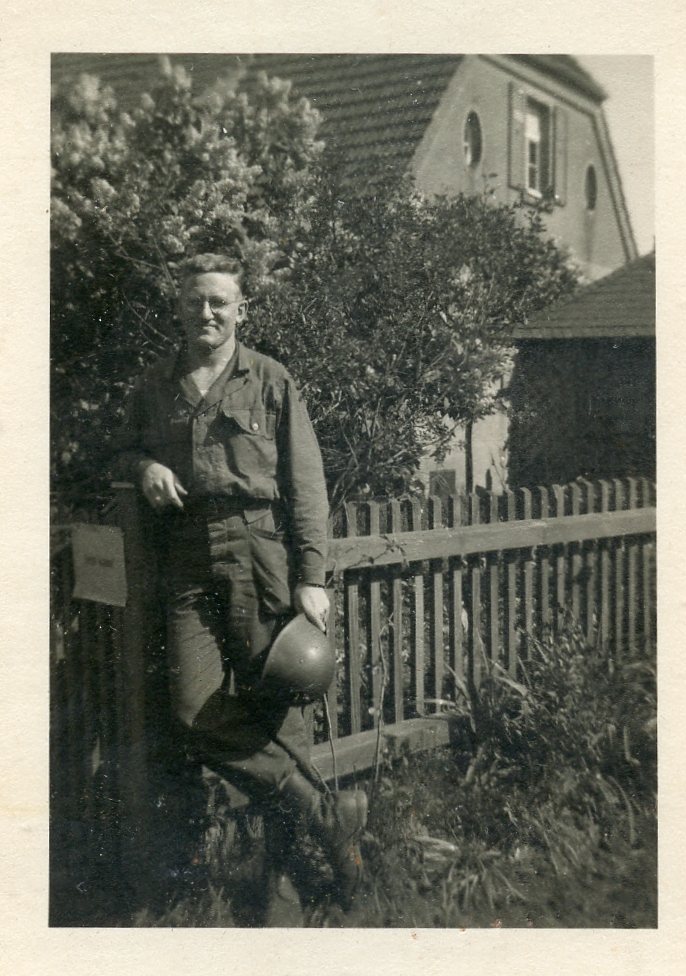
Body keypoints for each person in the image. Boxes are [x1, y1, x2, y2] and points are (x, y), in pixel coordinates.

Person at [113, 253, 365, 923]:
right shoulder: (154, 386)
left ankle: (283, 883)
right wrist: (143, 467)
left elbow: (306, 484)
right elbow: (119, 450)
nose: (206, 312)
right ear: (178, 307)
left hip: (260, 554)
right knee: (193, 709)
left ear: (240, 310)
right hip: (186, 555)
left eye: (219, 302)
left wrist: (311, 576)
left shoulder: (272, 380)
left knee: (278, 711)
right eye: (194, 301)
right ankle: (326, 815)